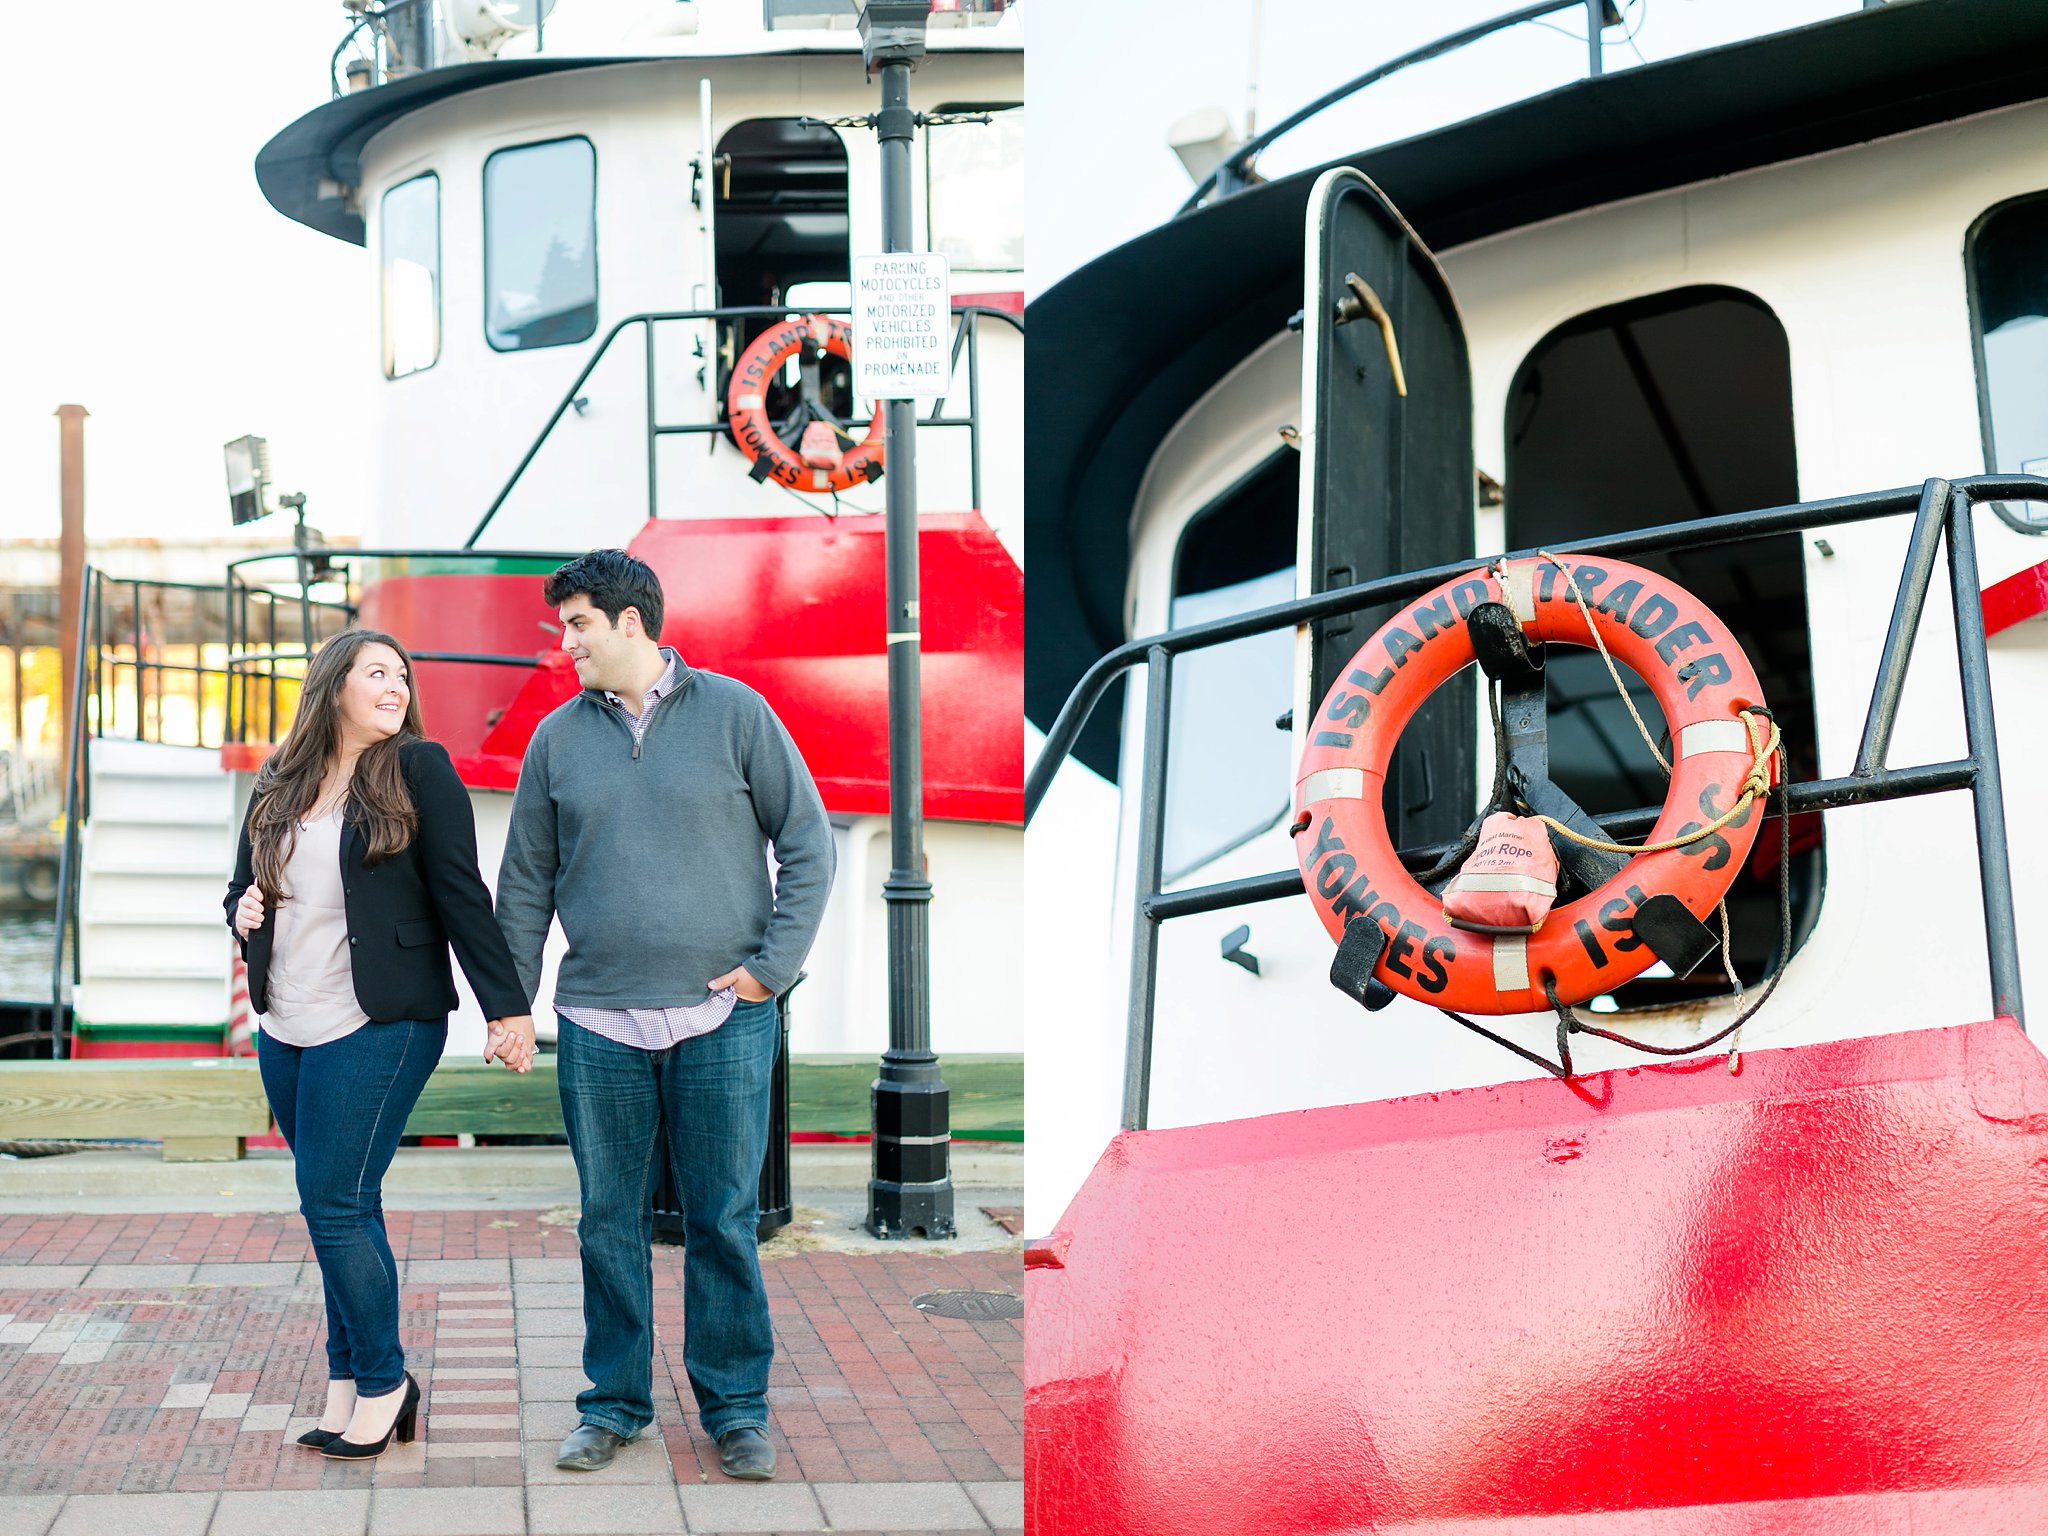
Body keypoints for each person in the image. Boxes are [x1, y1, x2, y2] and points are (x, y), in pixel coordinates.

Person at [494, 549, 834, 1482]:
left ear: (630, 623)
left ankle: (734, 1410)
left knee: (723, 1218)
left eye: (577, 625)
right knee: (609, 1219)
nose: (566, 645)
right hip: (599, 1020)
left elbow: (808, 845)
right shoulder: (557, 739)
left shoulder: (737, 715)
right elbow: (524, 880)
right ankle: (613, 1404)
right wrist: (510, 1004)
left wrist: (771, 972)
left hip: (723, 1017)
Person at [226, 629, 536, 1460]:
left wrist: (505, 1009)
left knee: (334, 1203)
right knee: (337, 1209)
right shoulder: (279, 779)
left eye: (402, 674)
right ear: (333, 686)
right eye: (376, 673)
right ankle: (347, 1381)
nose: (395, 686)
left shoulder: (418, 769)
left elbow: (462, 892)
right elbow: (241, 888)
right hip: (285, 1021)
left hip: (382, 1021)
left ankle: (385, 1384)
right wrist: (242, 913)